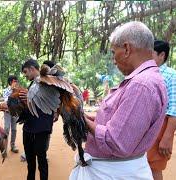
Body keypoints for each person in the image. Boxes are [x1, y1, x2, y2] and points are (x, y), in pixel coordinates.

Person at [69, 21, 167, 180]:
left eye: (114, 52)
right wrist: (88, 119)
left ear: (127, 49)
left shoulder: (141, 85)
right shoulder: (144, 81)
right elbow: (117, 124)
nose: (114, 60)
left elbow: (116, 141)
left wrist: (80, 119)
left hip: (113, 173)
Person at [148, 40, 176, 180]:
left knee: (154, 168)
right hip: (145, 129)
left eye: (150, 54)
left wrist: (167, 138)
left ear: (161, 55)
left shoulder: (173, 77)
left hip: (159, 130)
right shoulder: (146, 74)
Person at [19, 59, 54, 180]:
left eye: (26, 71)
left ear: (32, 68)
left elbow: (51, 100)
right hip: (28, 128)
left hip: (41, 128)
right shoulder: (31, 84)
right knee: (30, 163)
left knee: (42, 161)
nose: (25, 75)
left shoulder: (48, 81)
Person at [3, 75, 20, 155]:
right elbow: (7, 101)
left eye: (16, 81)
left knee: (14, 129)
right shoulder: (5, 90)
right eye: (14, 81)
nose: (16, 83)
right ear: (10, 82)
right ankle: (4, 148)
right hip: (7, 112)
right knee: (6, 128)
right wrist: (13, 92)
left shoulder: (19, 90)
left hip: (15, 113)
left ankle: (13, 146)